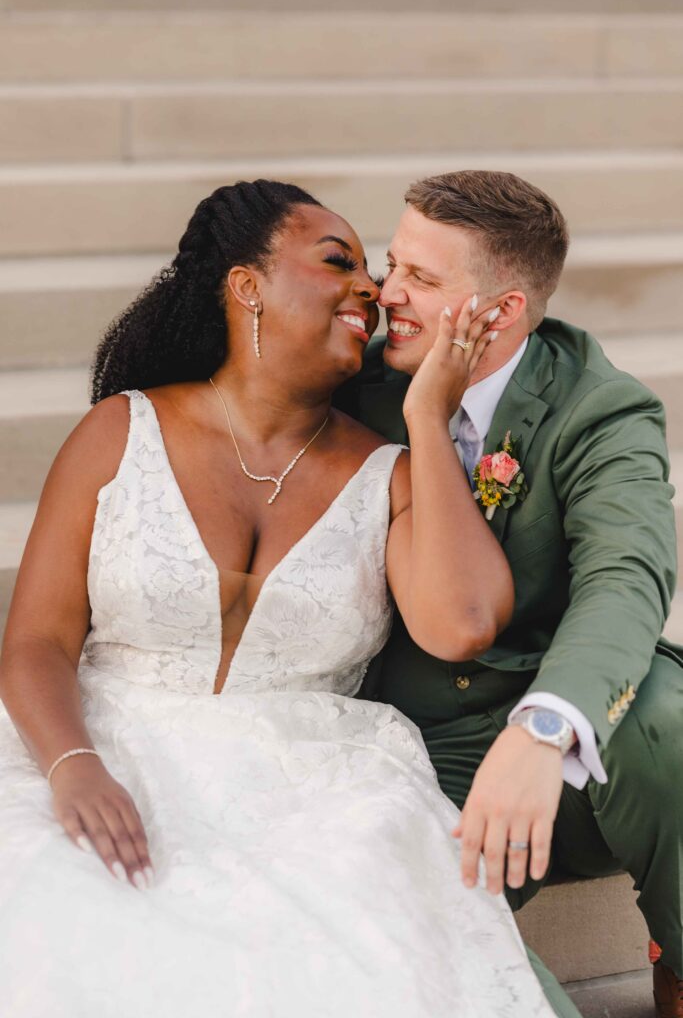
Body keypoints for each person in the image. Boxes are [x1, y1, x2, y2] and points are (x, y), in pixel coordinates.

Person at [0, 180, 568, 1016]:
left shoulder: (391, 473)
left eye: (368, 271)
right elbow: (37, 642)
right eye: (336, 261)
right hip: (101, 744)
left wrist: (425, 415)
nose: (371, 289)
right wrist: (74, 766)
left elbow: (462, 624)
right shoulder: (120, 432)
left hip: (314, 791)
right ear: (246, 285)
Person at [339, 169, 683, 1018]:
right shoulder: (357, 387)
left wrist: (542, 725)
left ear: (501, 312)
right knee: (412, 931)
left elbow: (625, 577)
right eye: (393, 266)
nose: (388, 295)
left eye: (421, 280)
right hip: (414, 734)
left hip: (558, 737)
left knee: (665, 718)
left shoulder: (597, 408)